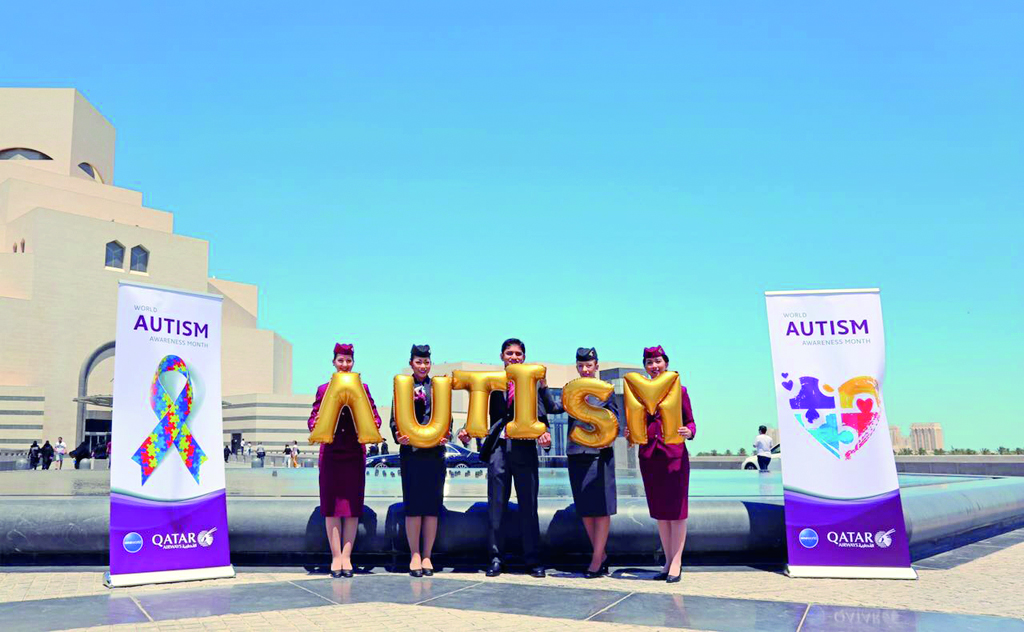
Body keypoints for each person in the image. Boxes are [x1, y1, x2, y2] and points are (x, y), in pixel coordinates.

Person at [458, 337, 553, 578]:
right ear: (501, 356)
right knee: (496, 506)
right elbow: (479, 413)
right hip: (499, 449)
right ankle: (496, 558)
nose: (514, 357)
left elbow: (544, 414)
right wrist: (468, 431)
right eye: (509, 353)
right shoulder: (492, 384)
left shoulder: (532, 384)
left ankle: (532, 560)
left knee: (529, 506)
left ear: (524, 357)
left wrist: (546, 436)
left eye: (518, 354)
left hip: (525, 448)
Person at [308, 342, 382, 578]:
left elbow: (375, 416)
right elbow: (312, 418)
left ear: (353, 363)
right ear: (333, 362)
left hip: (354, 454)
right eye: (340, 360)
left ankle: (347, 557)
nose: (344, 364)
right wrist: (315, 422)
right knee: (331, 507)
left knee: (352, 508)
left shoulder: (362, 388)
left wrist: (374, 423)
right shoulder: (324, 389)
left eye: (348, 360)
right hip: (330, 454)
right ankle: (335, 557)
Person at [550, 347, 619, 578]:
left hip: (600, 455)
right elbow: (554, 408)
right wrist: (542, 388)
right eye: (581, 366)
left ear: (596, 366)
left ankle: (597, 559)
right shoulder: (572, 390)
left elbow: (617, 420)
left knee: (602, 508)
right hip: (576, 454)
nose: (585, 369)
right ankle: (601, 555)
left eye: (589, 365)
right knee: (585, 509)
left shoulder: (606, 391)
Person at [632, 345, 695, 584]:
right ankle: (668, 561)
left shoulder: (680, 391)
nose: (654, 366)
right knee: (660, 513)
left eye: (658, 361)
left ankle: (677, 562)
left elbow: (691, 421)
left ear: (666, 363)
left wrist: (689, 431)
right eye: (649, 362)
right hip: (650, 457)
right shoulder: (639, 393)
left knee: (677, 513)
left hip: (674, 456)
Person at [390, 344, 451, 577]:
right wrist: (398, 435)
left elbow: (447, 418)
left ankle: (427, 555)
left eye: (426, 362)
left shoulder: (438, 387)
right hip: (412, 454)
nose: (423, 366)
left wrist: (446, 434)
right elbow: (395, 419)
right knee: (414, 506)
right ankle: (415, 555)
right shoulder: (402, 387)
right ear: (411, 363)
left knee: (432, 507)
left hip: (435, 454)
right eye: (418, 362)